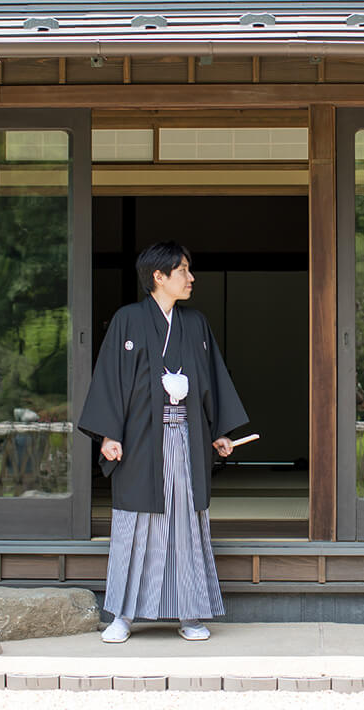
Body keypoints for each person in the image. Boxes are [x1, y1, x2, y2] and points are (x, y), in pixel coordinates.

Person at [78, 241, 248, 640]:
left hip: (186, 437)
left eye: (189, 270)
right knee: (135, 523)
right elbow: (110, 379)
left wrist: (220, 431)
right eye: (183, 270)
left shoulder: (196, 324)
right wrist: (108, 435)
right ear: (159, 276)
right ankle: (122, 615)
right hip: (138, 441)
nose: (191, 278)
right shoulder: (128, 320)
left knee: (186, 523)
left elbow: (212, 380)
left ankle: (190, 613)